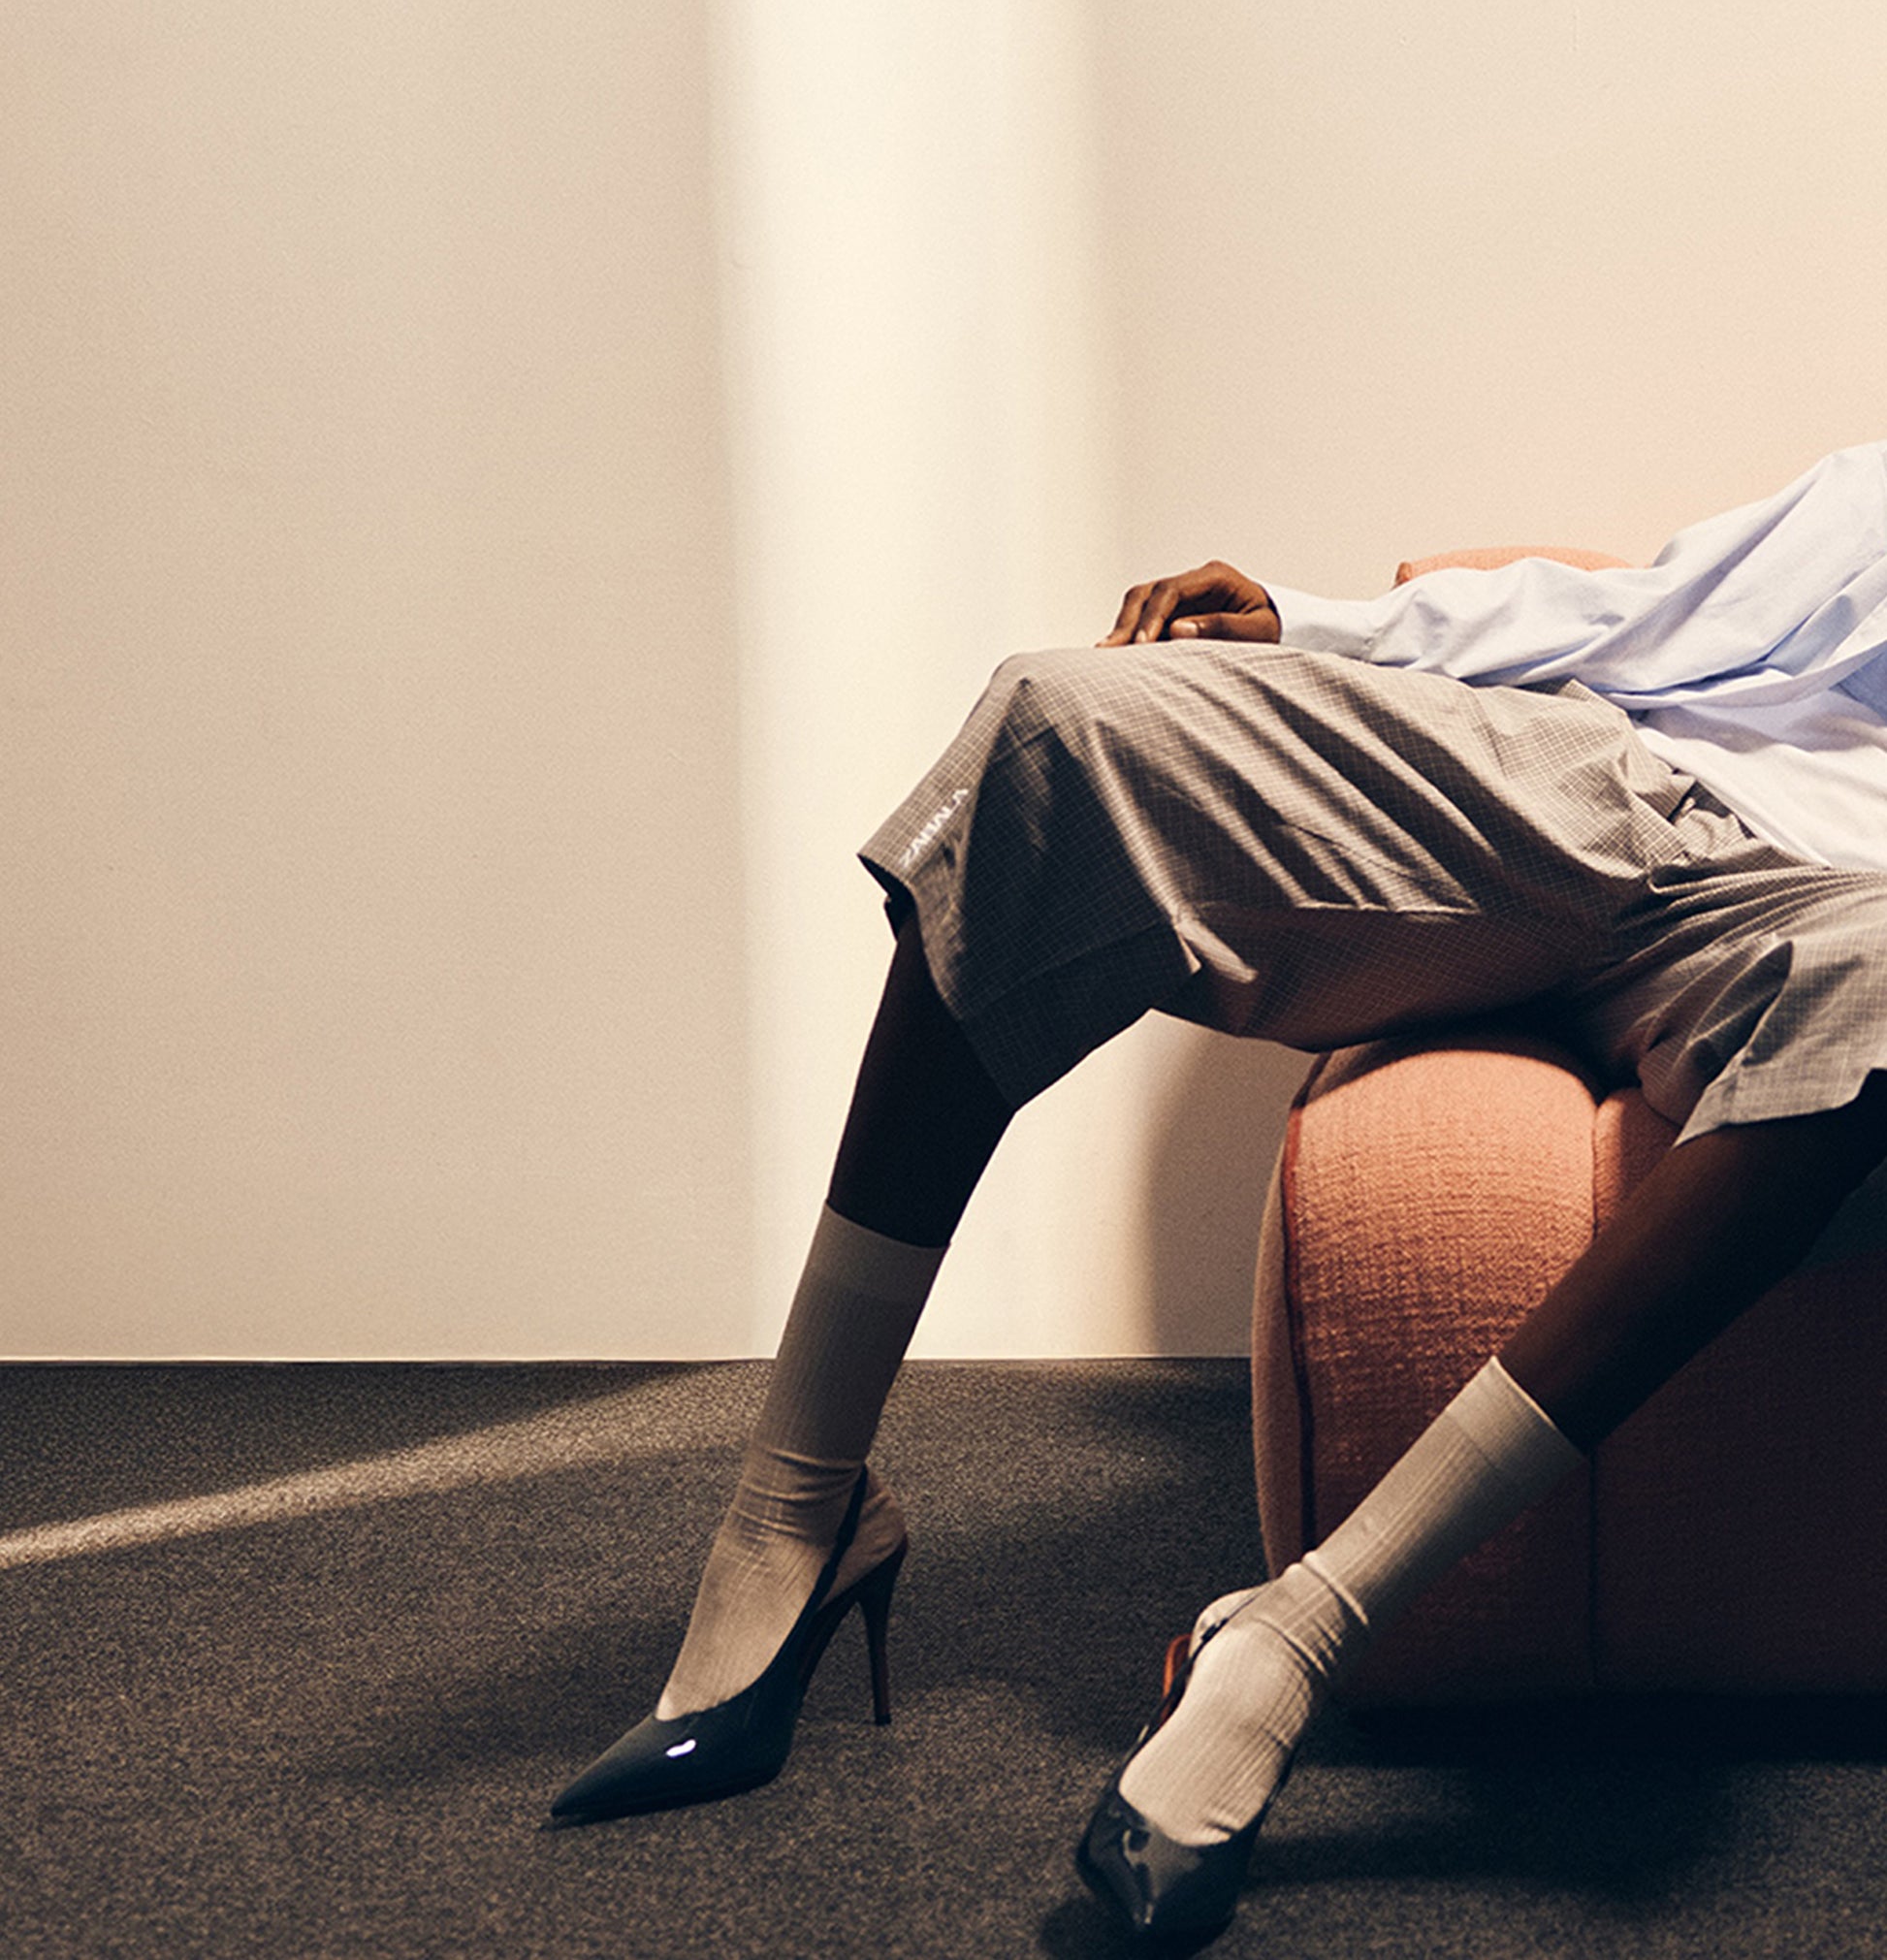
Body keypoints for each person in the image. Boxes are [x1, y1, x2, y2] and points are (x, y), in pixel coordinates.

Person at [546, 437, 1887, 1943]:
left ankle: (1296, 1636)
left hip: (1829, 922)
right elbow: (1660, 612)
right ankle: (795, 1513)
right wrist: (1310, 624)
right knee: (1065, 724)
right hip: (1635, 792)